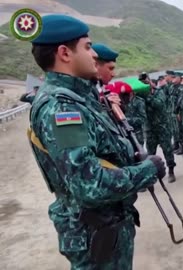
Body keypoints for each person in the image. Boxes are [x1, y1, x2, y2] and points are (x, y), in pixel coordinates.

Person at [27, 14, 166, 269]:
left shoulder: (79, 97)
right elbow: (89, 184)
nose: (94, 55)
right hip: (95, 232)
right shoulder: (61, 107)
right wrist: (147, 170)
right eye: (88, 47)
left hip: (106, 227)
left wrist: (128, 157)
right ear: (64, 53)